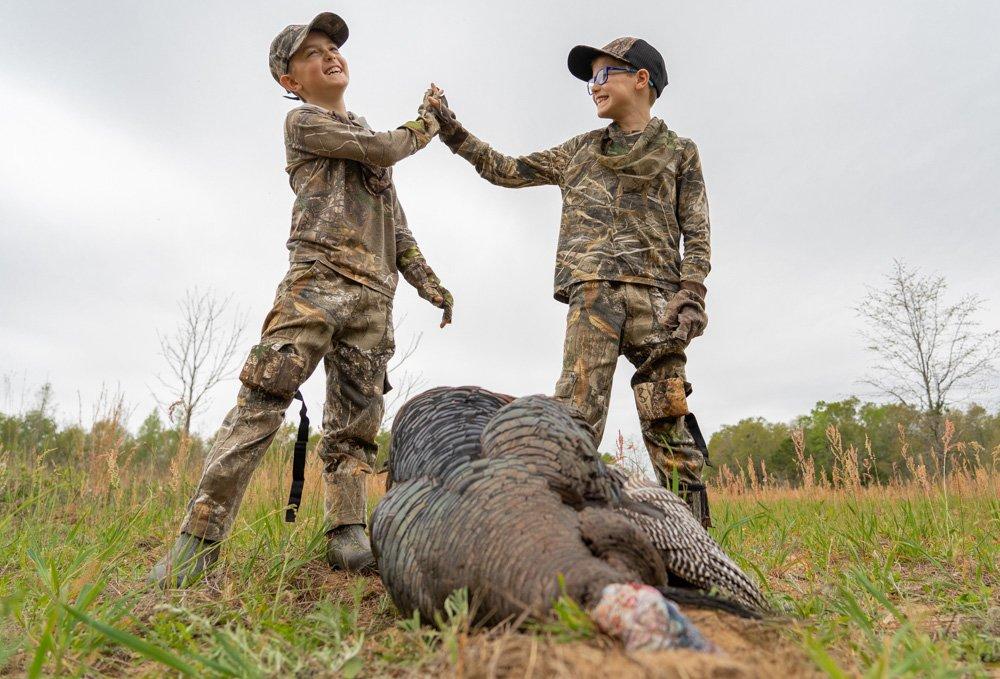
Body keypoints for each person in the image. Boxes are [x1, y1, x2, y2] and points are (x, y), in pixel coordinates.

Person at [149, 12, 452, 587]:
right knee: (262, 400)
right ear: (290, 81)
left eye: (333, 47)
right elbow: (388, 148)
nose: (329, 55)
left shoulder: (363, 138)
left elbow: (396, 223)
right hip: (314, 288)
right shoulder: (304, 123)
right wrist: (429, 122)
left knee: (356, 423)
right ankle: (199, 540)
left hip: (372, 300)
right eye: (311, 53)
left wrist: (428, 281)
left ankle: (345, 534)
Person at [430, 37, 713, 525]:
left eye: (603, 75)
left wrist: (691, 295)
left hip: (659, 303)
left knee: (668, 417)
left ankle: (694, 538)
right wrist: (451, 130)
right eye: (589, 80)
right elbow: (505, 169)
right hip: (594, 298)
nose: (593, 87)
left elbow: (698, 231)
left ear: (641, 79)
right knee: (575, 419)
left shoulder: (680, 152)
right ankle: (560, 531)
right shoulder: (578, 151)